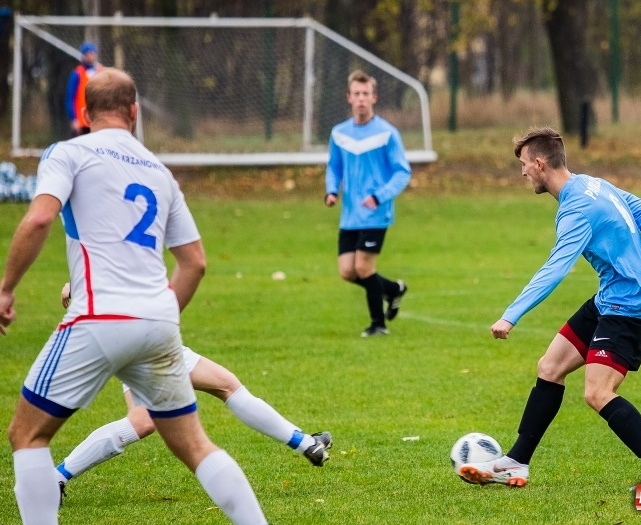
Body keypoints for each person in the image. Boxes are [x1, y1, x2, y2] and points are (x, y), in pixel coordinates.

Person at [0, 68, 268, 524]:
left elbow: (40, 219)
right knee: (197, 446)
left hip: (99, 315)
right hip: (158, 321)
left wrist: (6, 289)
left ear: (84, 113)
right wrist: (159, 316)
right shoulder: (159, 172)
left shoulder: (69, 152)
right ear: (134, 112)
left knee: (27, 436)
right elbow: (195, 262)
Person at [458, 126, 641, 489]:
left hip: (631, 304)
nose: (522, 173)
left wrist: (510, 314)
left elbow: (555, 269)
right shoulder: (591, 183)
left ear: (539, 162)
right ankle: (517, 462)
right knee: (550, 367)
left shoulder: (576, 210)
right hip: (612, 295)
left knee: (597, 393)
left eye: (523, 165)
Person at [55, 282, 331, 502]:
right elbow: (189, 264)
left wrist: (76, 284)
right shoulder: (129, 222)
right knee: (148, 417)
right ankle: (56, 477)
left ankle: (307, 443)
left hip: (126, 333)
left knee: (222, 386)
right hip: (143, 332)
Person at [325, 70, 412, 338]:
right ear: (348, 98)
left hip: (376, 213)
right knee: (347, 272)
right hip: (350, 215)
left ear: (374, 98)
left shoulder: (387, 134)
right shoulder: (339, 133)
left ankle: (378, 325)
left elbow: (402, 172)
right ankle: (393, 290)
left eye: (366, 94)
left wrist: (379, 196)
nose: (361, 99)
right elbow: (334, 167)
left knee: (364, 268)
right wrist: (331, 191)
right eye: (356, 94)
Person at [65, 41, 102, 137]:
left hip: (97, 121)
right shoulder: (77, 73)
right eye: (87, 54)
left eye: (92, 53)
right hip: (81, 122)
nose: (90, 56)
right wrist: (74, 119)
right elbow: (70, 97)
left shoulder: (100, 71)